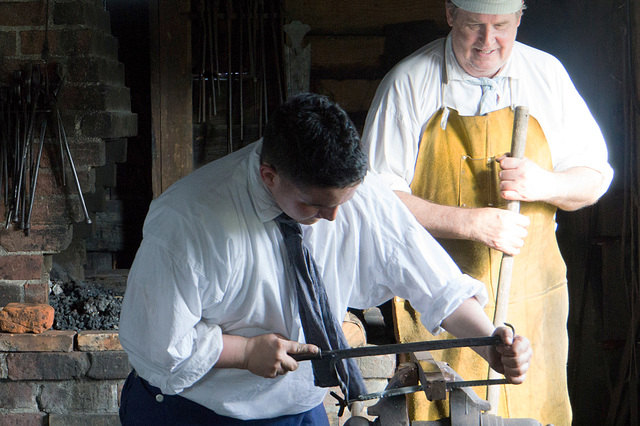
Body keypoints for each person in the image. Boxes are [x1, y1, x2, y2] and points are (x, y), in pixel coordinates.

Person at [118, 92, 532, 425]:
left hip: (298, 407)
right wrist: (243, 353)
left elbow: (431, 277)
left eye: (343, 201)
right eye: (315, 206)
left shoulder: (356, 193)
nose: (333, 217)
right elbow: (159, 346)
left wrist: (489, 342)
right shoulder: (187, 220)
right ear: (269, 176)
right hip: (196, 410)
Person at [362, 0, 614, 426]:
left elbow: (595, 176)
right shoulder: (408, 84)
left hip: (532, 300)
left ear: (519, 17)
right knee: (442, 413)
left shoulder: (547, 77)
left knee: (533, 413)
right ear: (450, 15)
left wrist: (546, 183)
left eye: (501, 26)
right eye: (474, 25)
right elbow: (372, 199)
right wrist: (468, 222)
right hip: (438, 305)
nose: (488, 42)